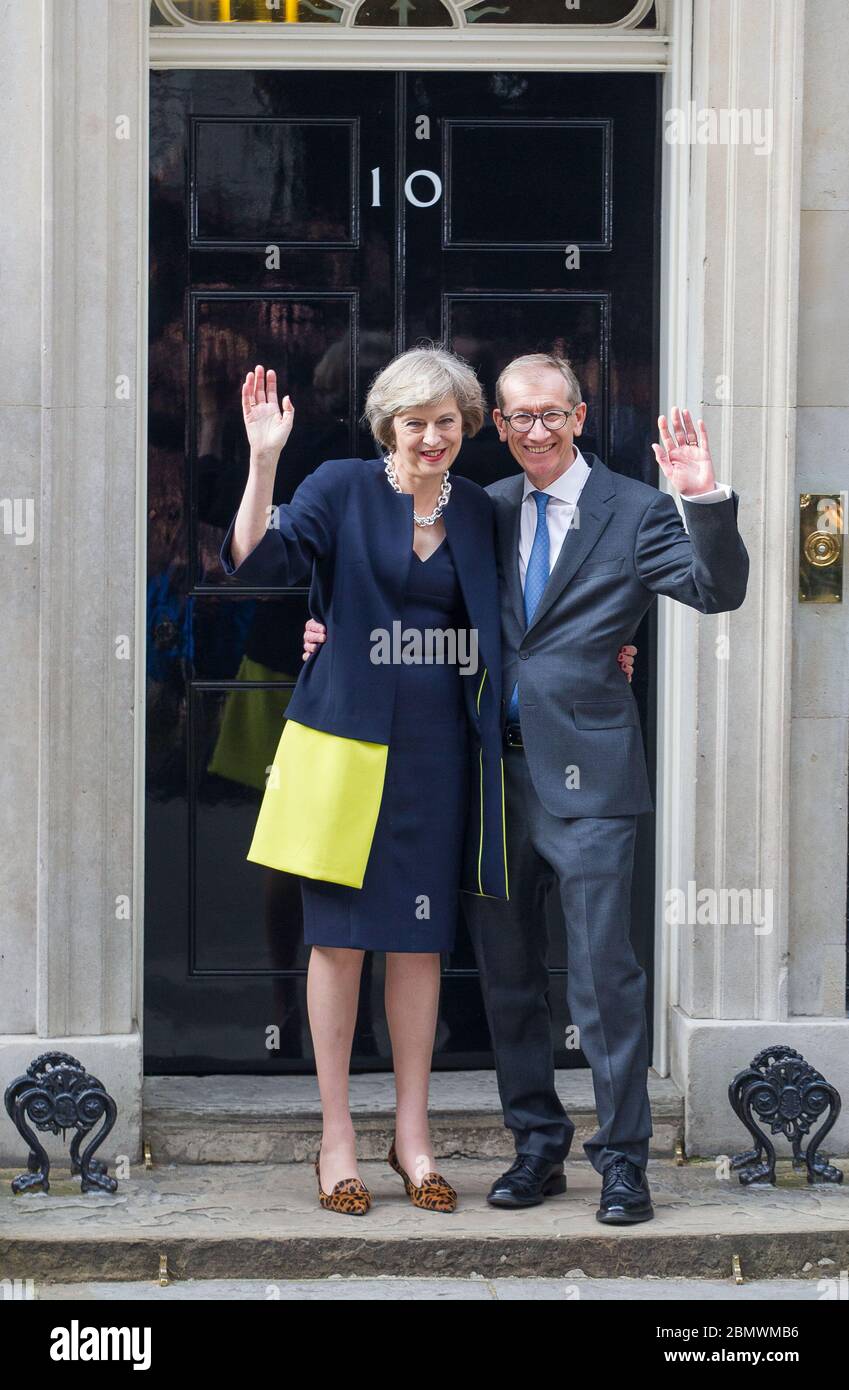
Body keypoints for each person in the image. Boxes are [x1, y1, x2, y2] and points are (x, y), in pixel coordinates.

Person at [304, 350, 749, 1226]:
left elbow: (714, 589)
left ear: (580, 416)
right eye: (515, 418)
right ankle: (535, 1147)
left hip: (589, 783)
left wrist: (700, 496)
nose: (533, 431)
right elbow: (409, 596)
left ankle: (622, 1163)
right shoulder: (483, 506)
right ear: (497, 428)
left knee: (602, 981)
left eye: (549, 414)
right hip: (486, 777)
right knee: (508, 978)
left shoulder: (637, 508)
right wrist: (327, 633)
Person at [219, 346, 510, 1216]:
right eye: (415, 423)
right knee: (339, 940)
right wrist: (263, 459)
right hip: (341, 743)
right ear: (389, 426)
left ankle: (412, 1135)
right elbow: (260, 570)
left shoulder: (482, 515)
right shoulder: (342, 487)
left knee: (419, 944)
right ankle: (336, 1135)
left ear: (464, 427)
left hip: (437, 753)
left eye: (447, 422)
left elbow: (511, 620)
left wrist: (607, 653)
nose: (431, 437)